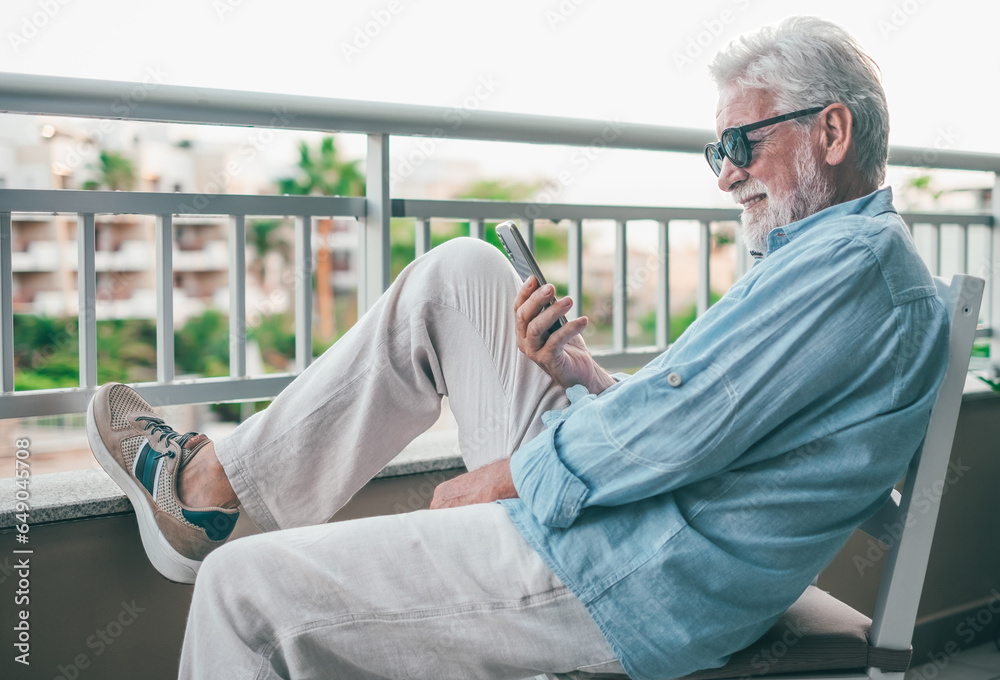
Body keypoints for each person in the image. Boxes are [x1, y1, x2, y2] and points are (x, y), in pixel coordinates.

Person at [86, 16, 949, 680]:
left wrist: (503, 480)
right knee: (464, 274)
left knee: (244, 591)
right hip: (653, 519)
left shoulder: (852, 267)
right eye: (714, 152)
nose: (725, 176)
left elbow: (685, 423)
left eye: (739, 144)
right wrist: (581, 376)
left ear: (831, 132)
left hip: (640, 570)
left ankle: (214, 523)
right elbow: (718, 426)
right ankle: (211, 497)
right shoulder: (836, 263)